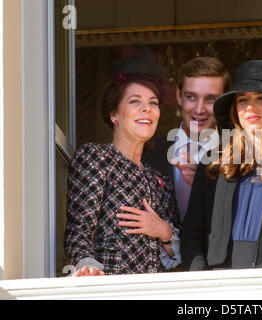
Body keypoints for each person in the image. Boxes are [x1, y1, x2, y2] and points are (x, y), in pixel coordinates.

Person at [181, 60, 262, 270]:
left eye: (261, 98)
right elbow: (192, 234)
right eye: (242, 100)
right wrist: (203, 279)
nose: (250, 107)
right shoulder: (213, 165)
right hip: (217, 287)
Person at [64, 60, 181, 276]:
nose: (147, 108)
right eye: (135, 101)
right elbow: (78, 231)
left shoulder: (159, 179)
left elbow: (179, 257)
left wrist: (164, 231)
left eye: (153, 103)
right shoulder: (97, 158)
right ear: (114, 114)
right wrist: (87, 267)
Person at [142, 57, 231, 224]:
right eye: (191, 97)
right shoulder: (146, 154)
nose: (199, 109)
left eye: (210, 99)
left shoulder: (237, 157)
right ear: (179, 96)